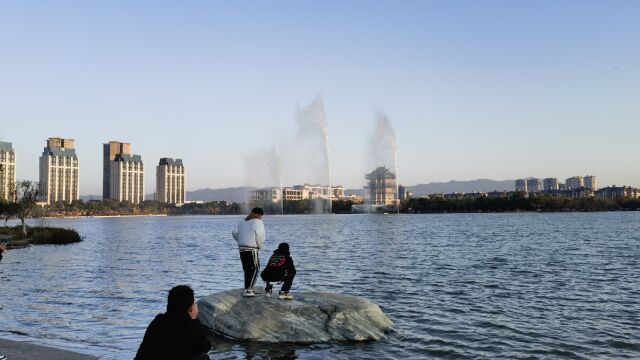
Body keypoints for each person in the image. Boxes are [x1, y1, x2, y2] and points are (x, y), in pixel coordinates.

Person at [135, 285, 211, 360]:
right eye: (194, 303)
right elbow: (206, 346)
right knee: (203, 356)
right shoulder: (190, 326)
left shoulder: (158, 320)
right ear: (190, 308)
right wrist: (194, 319)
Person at [232, 207, 265, 297]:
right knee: (255, 268)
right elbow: (260, 235)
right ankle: (249, 290)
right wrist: (259, 246)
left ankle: (247, 288)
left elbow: (236, 235)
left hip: (242, 249)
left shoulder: (241, 222)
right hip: (251, 248)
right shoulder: (257, 222)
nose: (261, 218)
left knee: (247, 269)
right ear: (258, 214)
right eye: (260, 216)